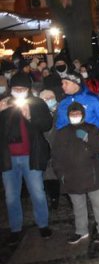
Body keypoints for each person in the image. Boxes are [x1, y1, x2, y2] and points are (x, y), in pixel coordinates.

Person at [0, 72, 53, 245]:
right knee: (11, 196)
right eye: (15, 89)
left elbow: (47, 124)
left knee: (37, 192)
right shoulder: (5, 104)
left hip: (31, 155)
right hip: (9, 158)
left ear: (28, 90)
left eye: (22, 89)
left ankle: (43, 224)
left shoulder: (36, 103)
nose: (19, 92)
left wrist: (30, 115)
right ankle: (15, 228)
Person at [57, 71, 99, 213]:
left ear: (75, 83)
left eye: (65, 83)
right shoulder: (64, 103)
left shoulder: (92, 98)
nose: (63, 86)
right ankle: (86, 205)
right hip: (74, 148)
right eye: (62, 83)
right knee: (78, 174)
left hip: (93, 145)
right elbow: (60, 126)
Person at [51, 102, 99, 244]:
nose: (75, 116)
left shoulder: (91, 129)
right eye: (73, 114)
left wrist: (87, 138)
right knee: (78, 206)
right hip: (72, 177)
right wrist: (61, 175)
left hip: (93, 175)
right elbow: (56, 156)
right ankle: (81, 230)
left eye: (78, 114)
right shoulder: (62, 133)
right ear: (68, 116)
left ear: (83, 115)